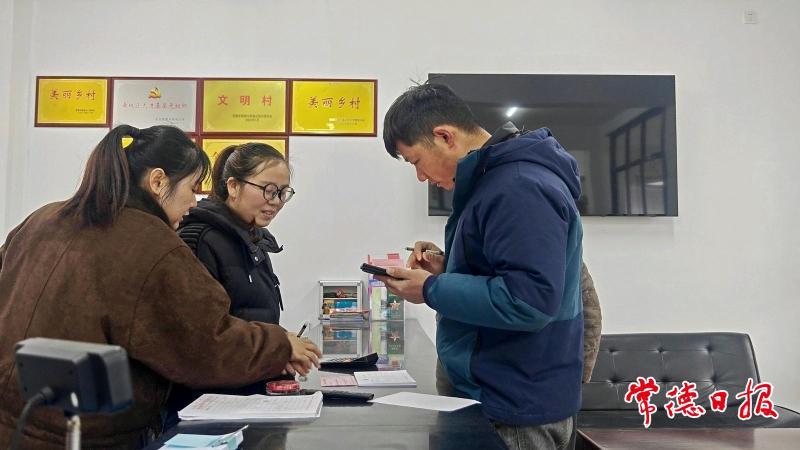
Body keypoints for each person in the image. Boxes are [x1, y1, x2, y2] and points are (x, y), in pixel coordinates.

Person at [0, 125, 320, 449]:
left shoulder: (41, 219)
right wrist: (278, 346)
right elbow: (205, 341)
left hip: (12, 423)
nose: (193, 202)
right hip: (88, 435)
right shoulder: (154, 244)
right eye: (191, 188)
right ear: (157, 182)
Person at [377, 83, 584, 450]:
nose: (421, 177)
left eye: (415, 161)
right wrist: (445, 268)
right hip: (499, 391)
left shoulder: (518, 187)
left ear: (444, 136)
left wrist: (430, 288)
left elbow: (529, 300)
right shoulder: (493, 181)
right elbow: (503, 273)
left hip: (512, 406)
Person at [166, 142, 296, 421]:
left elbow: (249, 314)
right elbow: (204, 336)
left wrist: (281, 349)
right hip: (210, 406)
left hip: (248, 394)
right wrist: (278, 345)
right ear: (233, 186)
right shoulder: (199, 239)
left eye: (283, 192)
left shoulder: (253, 239)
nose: (275, 201)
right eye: (268, 189)